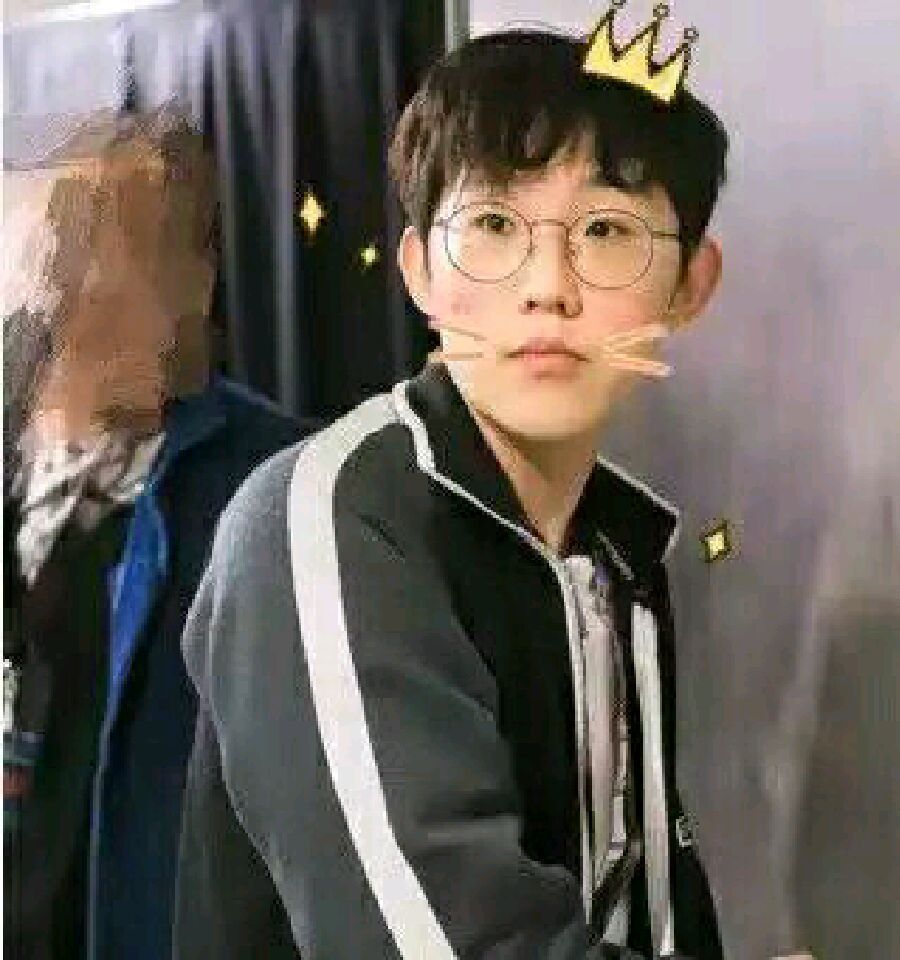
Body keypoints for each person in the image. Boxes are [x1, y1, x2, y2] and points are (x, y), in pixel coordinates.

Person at [174, 7, 728, 958]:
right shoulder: (330, 519)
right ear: (419, 271)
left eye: (606, 230)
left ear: (690, 286)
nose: (548, 286)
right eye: (494, 225)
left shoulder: (615, 551)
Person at [2, 102, 312, 960]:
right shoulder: (18, 457)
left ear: (196, 282)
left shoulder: (278, 482)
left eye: (128, 250)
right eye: (69, 248)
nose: (83, 283)